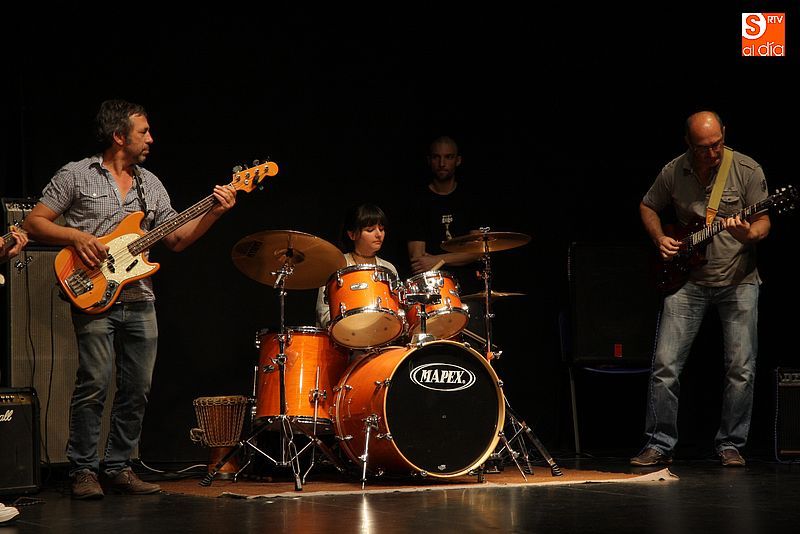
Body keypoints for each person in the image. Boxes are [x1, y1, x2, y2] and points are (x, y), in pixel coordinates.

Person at [22, 99, 237, 499]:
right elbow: (33, 222)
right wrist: (76, 236)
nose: (151, 139)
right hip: (91, 292)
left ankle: (119, 466)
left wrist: (214, 212)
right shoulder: (76, 175)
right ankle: (83, 470)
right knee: (94, 382)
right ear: (119, 136)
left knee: (137, 387)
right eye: (144, 131)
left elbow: (177, 239)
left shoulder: (149, 184)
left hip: (139, 296)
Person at [631, 110, 770, 468]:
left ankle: (731, 444)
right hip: (688, 280)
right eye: (703, 148)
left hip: (738, 280)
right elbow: (647, 206)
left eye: (717, 144)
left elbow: (762, 224)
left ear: (724, 133)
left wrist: (747, 233)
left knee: (741, 368)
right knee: (665, 365)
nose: (712, 153)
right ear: (688, 144)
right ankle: (659, 442)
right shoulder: (674, 171)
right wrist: (660, 238)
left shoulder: (747, 170)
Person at [406, 135, 486, 337]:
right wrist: (459, 256)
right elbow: (418, 261)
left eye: (448, 157)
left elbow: (477, 251)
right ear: (429, 160)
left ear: (458, 160)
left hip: (469, 291)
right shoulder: (418, 202)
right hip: (435, 294)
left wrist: (439, 259)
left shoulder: (470, 199)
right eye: (436, 157)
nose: (442, 163)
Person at [316, 203, 399, 332]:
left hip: (381, 333)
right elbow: (324, 313)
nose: (379, 234)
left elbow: (397, 310)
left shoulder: (388, 268)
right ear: (352, 235)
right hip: (346, 336)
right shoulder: (337, 265)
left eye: (381, 229)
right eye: (370, 230)